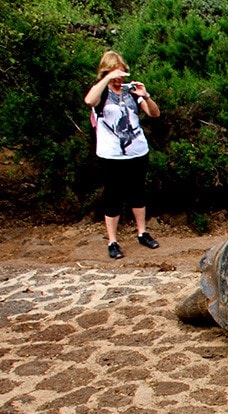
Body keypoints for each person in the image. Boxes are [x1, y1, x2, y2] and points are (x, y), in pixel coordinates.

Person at [84, 50, 161, 260]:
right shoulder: (101, 94)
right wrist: (106, 79)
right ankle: (112, 241)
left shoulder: (130, 93)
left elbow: (154, 113)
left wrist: (145, 95)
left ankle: (142, 232)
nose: (120, 78)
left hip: (136, 151)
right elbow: (89, 101)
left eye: (122, 73)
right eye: (115, 73)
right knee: (113, 197)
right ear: (106, 72)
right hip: (111, 155)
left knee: (138, 193)